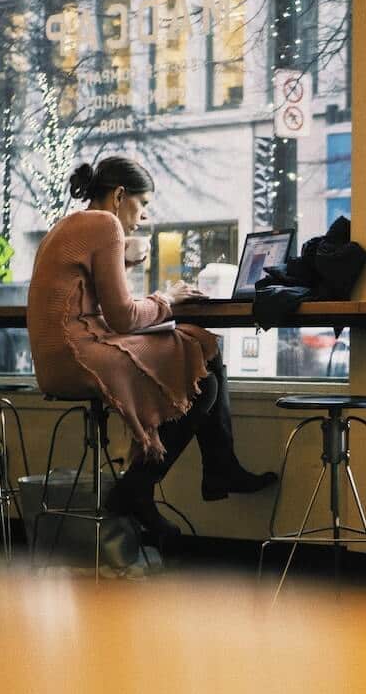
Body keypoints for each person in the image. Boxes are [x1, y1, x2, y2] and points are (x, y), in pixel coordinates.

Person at [27, 157, 276, 554]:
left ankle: (207, 471)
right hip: (77, 354)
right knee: (202, 364)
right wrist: (168, 299)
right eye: (142, 204)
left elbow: (93, 299)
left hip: (58, 355)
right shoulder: (103, 224)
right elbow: (123, 316)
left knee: (199, 353)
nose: (142, 217)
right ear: (120, 195)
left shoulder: (69, 223)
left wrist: (125, 262)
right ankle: (143, 488)